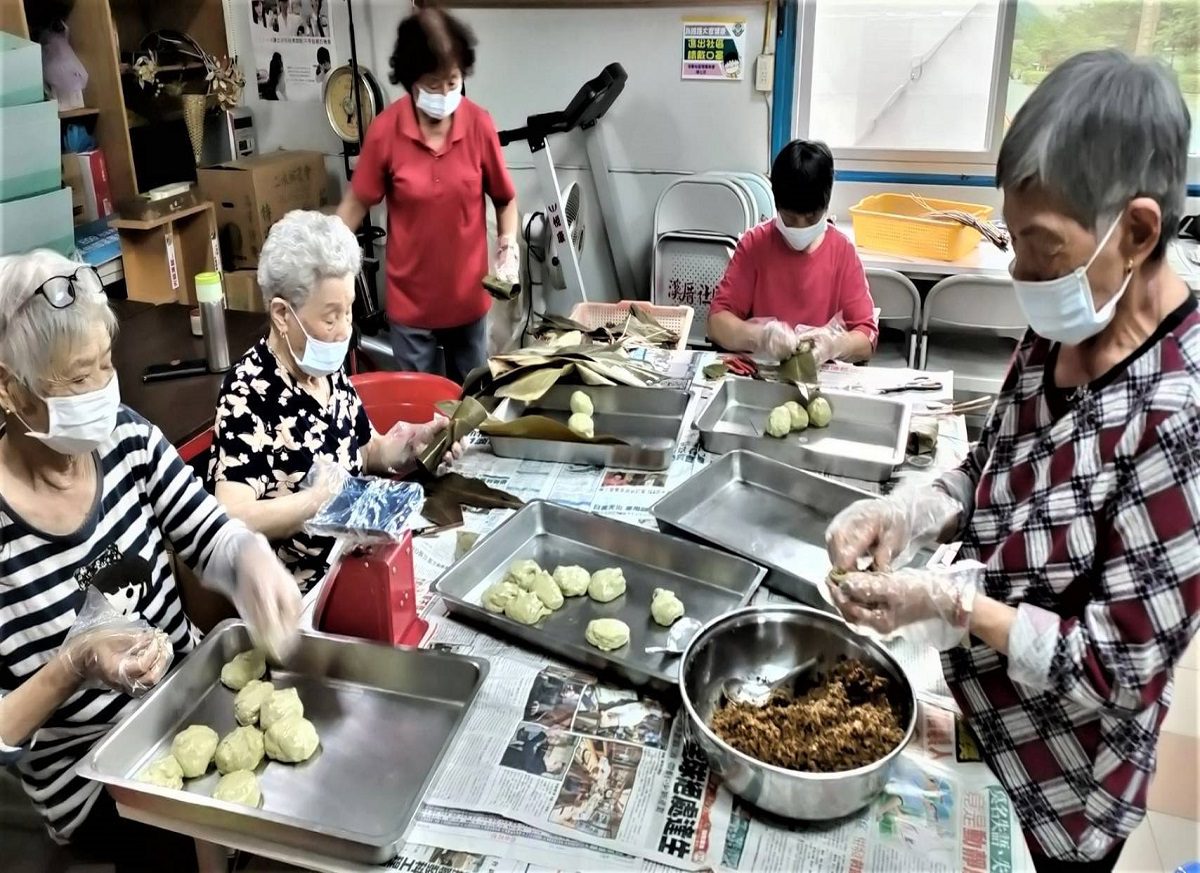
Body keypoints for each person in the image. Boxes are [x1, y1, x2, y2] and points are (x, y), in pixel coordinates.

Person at [824, 51, 1199, 872]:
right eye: (1014, 240)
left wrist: (952, 603)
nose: (1021, 273)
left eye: (1043, 247)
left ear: (1135, 231)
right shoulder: (1058, 332)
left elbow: (1118, 664)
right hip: (975, 723)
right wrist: (907, 512)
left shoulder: (1178, 417)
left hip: (1063, 791)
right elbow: (991, 468)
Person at [0, 251, 300, 866]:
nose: (101, 392)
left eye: (106, 366)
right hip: (92, 775)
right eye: (77, 378)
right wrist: (75, 664)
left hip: (192, 699)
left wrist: (250, 562)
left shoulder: (126, 438)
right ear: (11, 389)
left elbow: (211, 535)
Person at [209, 211, 460, 591]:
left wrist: (412, 444)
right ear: (282, 314)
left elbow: (365, 451)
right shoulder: (248, 394)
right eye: (331, 317)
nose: (345, 329)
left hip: (363, 562)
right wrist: (317, 502)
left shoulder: (325, 369)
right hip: (307, 593)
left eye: (348, 311)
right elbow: (232, 515)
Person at [336, 7, 519, 383]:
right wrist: (326, 256)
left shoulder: (479, 124)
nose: (445, 94)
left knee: (470, 400)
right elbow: (356, 202)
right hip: (411, 306)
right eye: (433, 85)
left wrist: (508, 248)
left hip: (468, 300)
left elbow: (505, 199)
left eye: (453, 82)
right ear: (411, 80)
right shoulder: (386, 131)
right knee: (419, 415)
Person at [707, 139, 877, 363]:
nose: (800, 227)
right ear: (777, 205)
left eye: (811, 218)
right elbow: (717, 322)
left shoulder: (842, 252)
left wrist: (835, 344)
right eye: (790, 218)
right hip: (762, 376)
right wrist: (759, 336)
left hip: (820, 379)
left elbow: (866, 335)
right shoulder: (754, 245)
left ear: (825, 207)